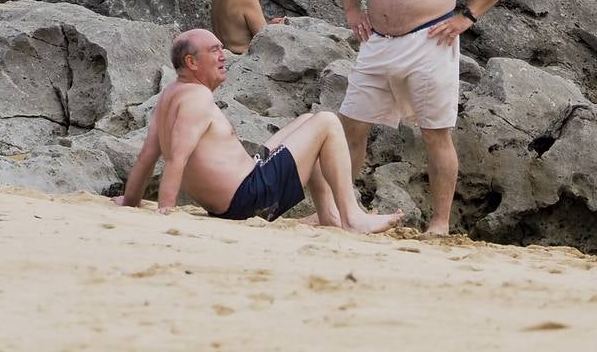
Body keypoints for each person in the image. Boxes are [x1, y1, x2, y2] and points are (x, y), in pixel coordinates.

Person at [334, 0, 516, 235]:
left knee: (435, 131)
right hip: (377, 42)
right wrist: (352, 10)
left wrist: (467, 16)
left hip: (430, 40)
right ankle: (341, 210)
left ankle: (440, 222)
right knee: (352, 125)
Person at [111, 28, 403, 233]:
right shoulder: (197, 99)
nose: (223, 54)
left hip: (243, 187)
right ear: (192, 62)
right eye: (214, 51)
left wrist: (131, 200)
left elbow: (148, 155)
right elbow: (177, 158)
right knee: (327, 121)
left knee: (306, 121)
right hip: (248, 198)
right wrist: (165, 211)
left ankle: (329, 215)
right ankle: (352, 217)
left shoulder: (172, 94)